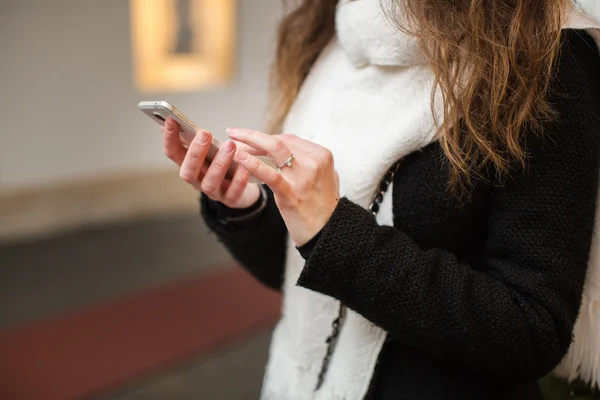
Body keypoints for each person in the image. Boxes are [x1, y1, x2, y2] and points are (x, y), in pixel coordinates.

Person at [161, 0, 600, 398]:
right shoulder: (332, 39)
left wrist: (334, 232)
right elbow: (312, 281)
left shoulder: (546, 53)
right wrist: (250, 208)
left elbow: (533, 330)